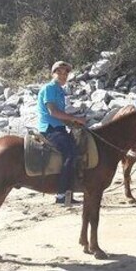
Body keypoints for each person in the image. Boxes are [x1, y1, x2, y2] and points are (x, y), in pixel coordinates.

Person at [38, 61, 87, 204]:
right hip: (49, 128)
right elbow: (53, 112)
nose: (63, 75)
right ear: (53, 74)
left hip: (58, 127)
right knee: (71, 153)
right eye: (59, 72)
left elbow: (61, 115)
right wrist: (74, 118)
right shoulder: (49, 88)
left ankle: (70, 190)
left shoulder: (60, 90)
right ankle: (61, 195)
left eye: (66, 73)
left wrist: (74, 123)